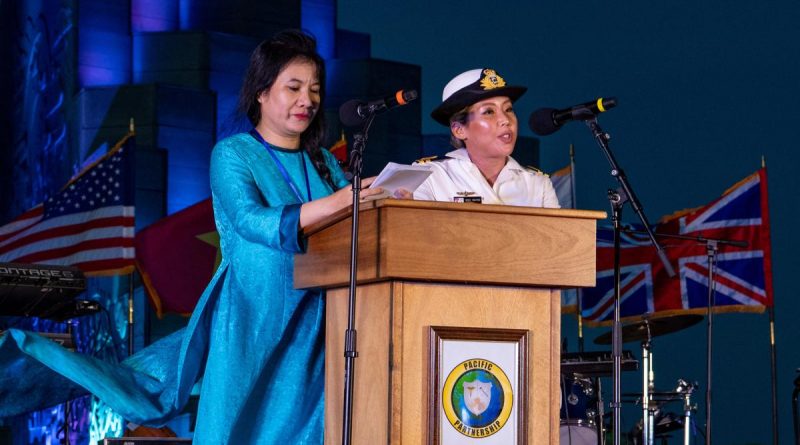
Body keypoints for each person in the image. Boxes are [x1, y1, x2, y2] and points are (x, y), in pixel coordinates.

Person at [0, 30, 382, 444]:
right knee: (240, 427)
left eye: (314, 89)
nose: (306, 99)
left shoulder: (323, 161)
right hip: (253, 319)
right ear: (260, 92)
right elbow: (252, 221)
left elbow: (345, 218)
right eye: (293, 87)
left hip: (316, 318)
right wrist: (342, 201)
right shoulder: (234, 154)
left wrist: (382, 190)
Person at [413, 68, 560, 208]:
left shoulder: (538, 184)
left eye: (508, 109)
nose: (505, 119)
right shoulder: (428, 176)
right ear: (459, 130)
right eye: (489, 111)